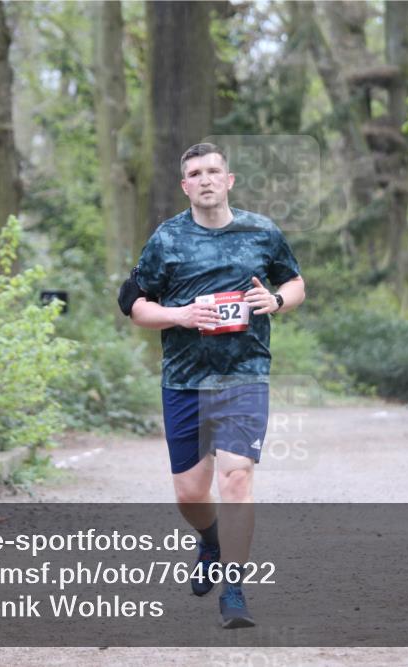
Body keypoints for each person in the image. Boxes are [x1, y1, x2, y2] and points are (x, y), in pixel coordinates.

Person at [123, 142, 305, 628]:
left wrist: (278, 302)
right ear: (185, 186)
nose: (205, 179)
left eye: (213, 171)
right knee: (190, 495)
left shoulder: (262, 232)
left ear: (229, 180)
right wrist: (178, 314)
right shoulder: (167, 240)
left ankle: (235, 589)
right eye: (195, 173)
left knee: (237, 476)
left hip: (244, 376)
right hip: (184, 381)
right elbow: (134, 306)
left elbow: (295, 283)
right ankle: (209, 539)